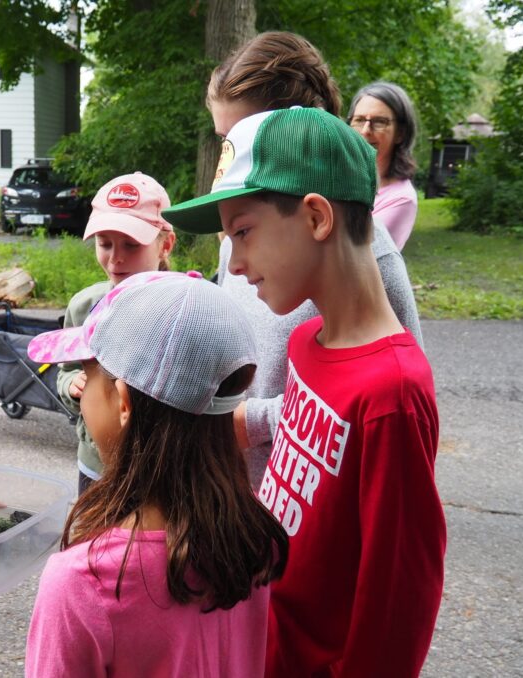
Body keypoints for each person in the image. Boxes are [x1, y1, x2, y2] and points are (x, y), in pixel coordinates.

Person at [163, 107, 446, 676]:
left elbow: (398, 602)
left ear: (317, 216)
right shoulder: (310, 344)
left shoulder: (391, 394)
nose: (235, 263)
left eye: (243, 232)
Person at [25, 270, 289, 676]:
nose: (83, 397)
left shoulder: (83, 585)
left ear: (123, 401)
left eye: (87, 371)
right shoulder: (252, 532)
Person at [206, 31, 423, 486]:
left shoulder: (371, 259)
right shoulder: (239, 240)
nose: (231, 158)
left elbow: (382, 407)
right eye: (224, 139)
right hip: (236, 506)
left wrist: (253, 422)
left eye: (246, 136)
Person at [55, 172, 176, 494]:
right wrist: (72, 385)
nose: (115, 258)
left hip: (162, 468)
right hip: (95, 465)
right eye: (104, 244)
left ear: (166, 245)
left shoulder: (186, 309)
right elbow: (65, 371)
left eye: (131, 245)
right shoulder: (84, 307)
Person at [347, 81, 420, 249]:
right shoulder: (339, 174)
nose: (366, 130)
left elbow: (357, 252)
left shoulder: (401, 199)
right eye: (359, 120)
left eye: (379, 122)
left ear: (400, 133)